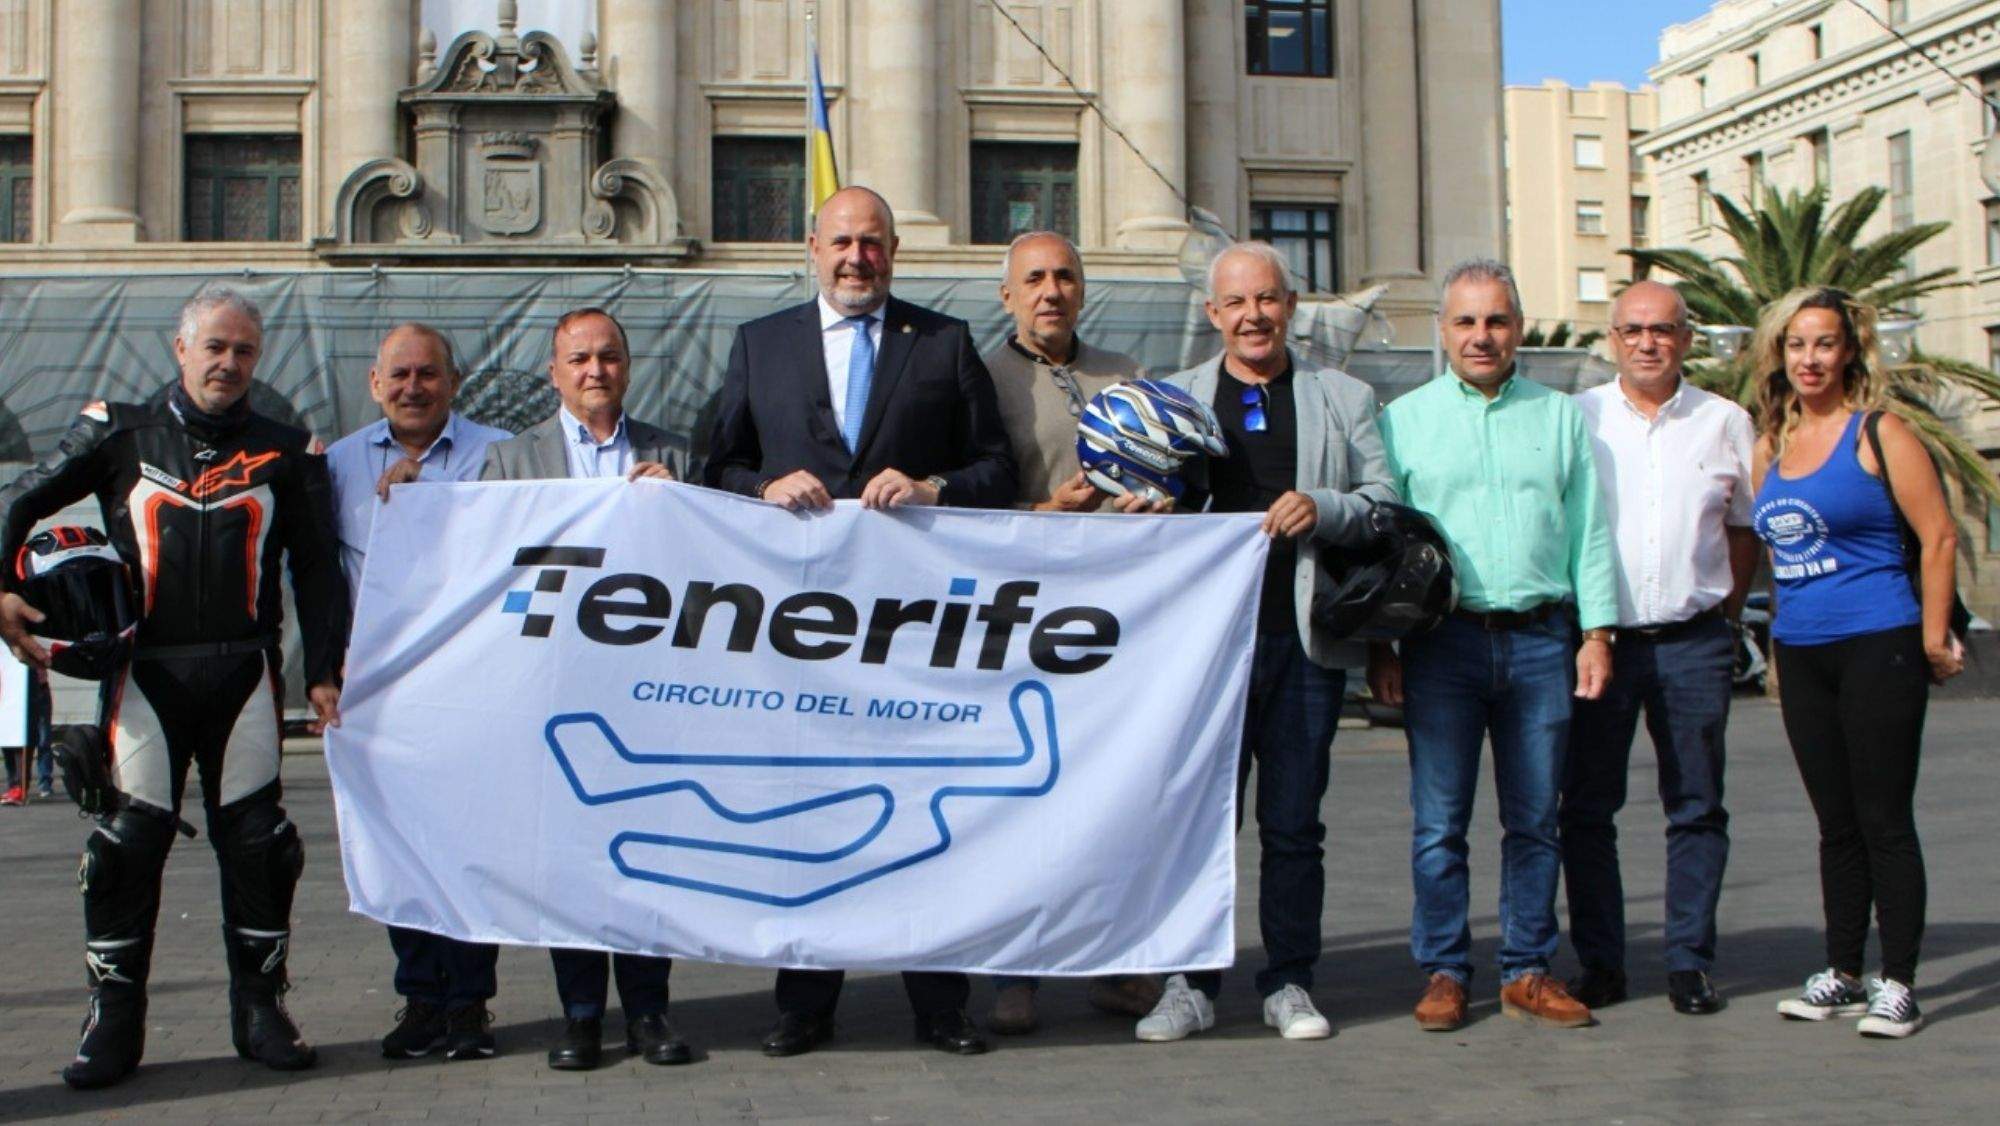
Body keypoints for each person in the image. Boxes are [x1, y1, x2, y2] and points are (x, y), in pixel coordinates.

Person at [0, 282, 348, 1089]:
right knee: (124, 849)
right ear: (181, 348)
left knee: (261, 846)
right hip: (146, 673)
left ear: (257, 359)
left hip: (244, 671)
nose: (228, 363)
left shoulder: (286, 447)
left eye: (244, 351)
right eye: (214, 347)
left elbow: (319, 567)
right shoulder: (117, 431)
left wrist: (325, 668)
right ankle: (112, 1021)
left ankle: (261, 1009)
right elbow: (20, 500)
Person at [704, 184, 1017, 1057]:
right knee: (812, 816)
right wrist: (762, 487)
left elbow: (999, 469)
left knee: (927, 814)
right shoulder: (760, 346)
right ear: (812, 248)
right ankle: (805, 1005)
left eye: (872, 243)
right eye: (841, 242)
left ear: (893, 252)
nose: (856, 259)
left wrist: (934, 488)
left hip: (916, 643)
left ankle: (940, 1005)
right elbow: (714, 464)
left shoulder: (945, 344)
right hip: (799, 645)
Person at [1134, 241, 1398, 1044]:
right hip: (1200, 652)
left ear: (1290, 305)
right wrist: (1140, 512)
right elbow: (1133, 505)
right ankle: (1188, 983)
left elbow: (1385, 502)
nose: (1254, 316)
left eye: (1269, 299)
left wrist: (1323, 505)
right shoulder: (1170, 397)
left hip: (1301, 645)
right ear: (1213, 314)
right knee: (1197, 823)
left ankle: (1289, 981)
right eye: (1236, 303)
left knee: (1292, 825)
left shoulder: (1342, 397)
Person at [1370, 258, 1616, 1033]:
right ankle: (1444, 970)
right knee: (1439, 822)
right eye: (1467, 322)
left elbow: (1589, 532)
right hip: (1442, 648)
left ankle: (1527, 968)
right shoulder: (1403, 420)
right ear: (1442, 331)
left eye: (1497, 321)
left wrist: (1597, 633)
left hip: (1543, 641)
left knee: (1536, 819)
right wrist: (1384, 647)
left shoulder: (1559, 415)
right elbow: (1385, 545)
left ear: (1518, 328)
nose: (1483, 336)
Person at [480, 306, 693, 1070]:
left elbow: (710, 569)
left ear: (628, 366)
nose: (595, 370)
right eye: (579, 359)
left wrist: (682, 507)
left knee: (643, 855)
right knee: (566, 857)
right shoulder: (510, 462)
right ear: (554, 372)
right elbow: (481, 563)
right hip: (554, 690)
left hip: (647, 694)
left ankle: (650, 1013)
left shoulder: (674, 453)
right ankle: (578, 1017)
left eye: (608, 357)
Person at [1749, 286, 1960, 1039]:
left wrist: (1934, 636)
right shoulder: (1770, 446)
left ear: (1849, 352)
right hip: (1805, 653)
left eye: (1825, 343)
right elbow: (1778, 562)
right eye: (1798, 344)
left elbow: (1936, 538)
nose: (1811, 358)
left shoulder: (1880, 432)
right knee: (1834, 822)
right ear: (1782, 355)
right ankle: (1841, 971)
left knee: (1883, 820)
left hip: (1880, 641)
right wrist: (1775, 653)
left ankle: (1897, 981)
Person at [978, 230, 1161, 1034]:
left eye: (1065, 277)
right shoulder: (977, 382)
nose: (1051, 292)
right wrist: (1047, 512)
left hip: (1117, 624)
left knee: (1114, 797)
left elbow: (1170, 480)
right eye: (1035, 280)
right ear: (1007, 295)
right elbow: (963, 511)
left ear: (1083, 290)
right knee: (1017, 797)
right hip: (1018, 623)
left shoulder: (1127, 378)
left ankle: (1120, 962)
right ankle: (1014, 969)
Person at [1560, 281, 1756, 1017]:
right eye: (1634, 330)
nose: (1649, 342)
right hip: (1599, 642)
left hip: (1693, 640)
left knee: (1698, 805)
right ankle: (1602, 963)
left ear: (1686, 338)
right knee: (1585, 808)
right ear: (1612, 339)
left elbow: (1743, 528)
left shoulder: (1725, 422)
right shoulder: (1580, 420)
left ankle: (1688, 963)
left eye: (1664, 330)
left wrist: (1727, 616)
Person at [324, 323, 511, 1062]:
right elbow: (317, 577)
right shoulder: (337, 466)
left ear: (454, 382)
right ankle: (420, 1000)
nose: (413, 388)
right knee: (399, 850)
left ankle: (471, 1005)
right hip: (382, 696)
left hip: (478, 688)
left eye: (428, 375)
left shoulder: (501, 455)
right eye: (398, 375)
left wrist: (429, 502)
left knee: (471, 847)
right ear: (375, 384)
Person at [1, 666, 53, 804]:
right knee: (7, 738)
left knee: (28, 737)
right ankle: (13, 784)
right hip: (8, 689)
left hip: (33, 688)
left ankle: (22, 785)